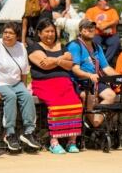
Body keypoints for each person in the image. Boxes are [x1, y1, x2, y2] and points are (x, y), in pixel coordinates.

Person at [0, 22, 39, 152]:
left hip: (15, 83)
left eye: (11, 33)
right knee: (11, 96)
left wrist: (23, 89)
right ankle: (9, 133)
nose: (7, 35)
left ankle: (29, 132)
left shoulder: (21, 47)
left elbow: (23, 72)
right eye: (5, 32)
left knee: (27, 96)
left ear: (17, 36)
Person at [27, 18, 83, 154]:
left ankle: (71, 142)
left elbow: (70, 65)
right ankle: (54, 142)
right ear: (39, 33)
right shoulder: (34, 47)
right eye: (47, 31)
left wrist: (54, 60)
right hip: (44, 83)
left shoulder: (61, 46)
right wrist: (62, 59)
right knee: (56, 106)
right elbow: (44, 65)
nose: (50, 34)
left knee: (76, 105)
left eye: (52, 31)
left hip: (64, 83)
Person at [68, 18, 118, 128]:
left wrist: (120, 77)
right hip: (79, 80)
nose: (90, 30)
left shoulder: (97, 46)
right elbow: (75, 69)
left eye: (92, 28)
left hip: (95, 80)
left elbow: (106, 68)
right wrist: (89, 75)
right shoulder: (75, 46)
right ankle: (95, 125)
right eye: (86, 28)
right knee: (89, 97)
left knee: (110, 95)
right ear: (80, 31)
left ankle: (95, 122)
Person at [84, 0, 121, 65]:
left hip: (111, 35)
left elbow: (116, 21)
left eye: (108, 1)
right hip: (96, 34)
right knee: (94, 42)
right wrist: (98, 26)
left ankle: (104, 64)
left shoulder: (112, 11)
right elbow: (88, 20)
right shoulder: (91, 10)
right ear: (99, 2)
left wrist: (105, 26)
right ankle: (99, 63)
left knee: (116, 42)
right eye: (106, 1)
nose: (107, 3)